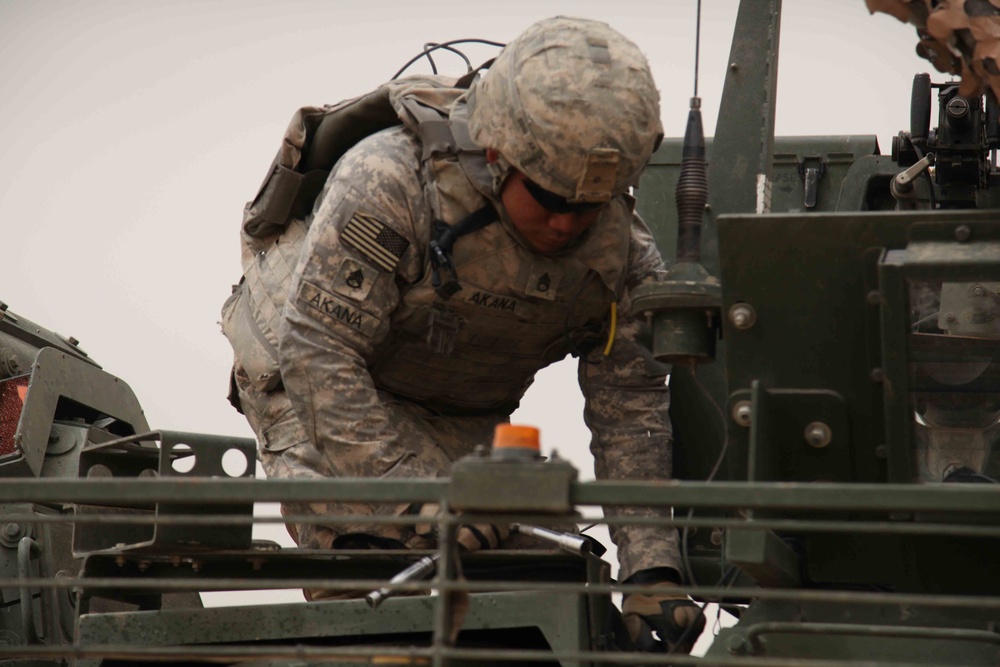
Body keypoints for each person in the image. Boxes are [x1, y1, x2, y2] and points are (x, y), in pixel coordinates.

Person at [222, 15, 702, 652]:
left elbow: (631, 408)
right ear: (499, 155)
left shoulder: (622, 259)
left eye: (589, 207)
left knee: (551, 592)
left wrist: (653, 568)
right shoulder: (389, 184)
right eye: (550, 198)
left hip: (467, 417)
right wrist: (417, 500)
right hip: (315, 393)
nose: (566, 225)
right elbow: (318, 354)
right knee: (382, 582)